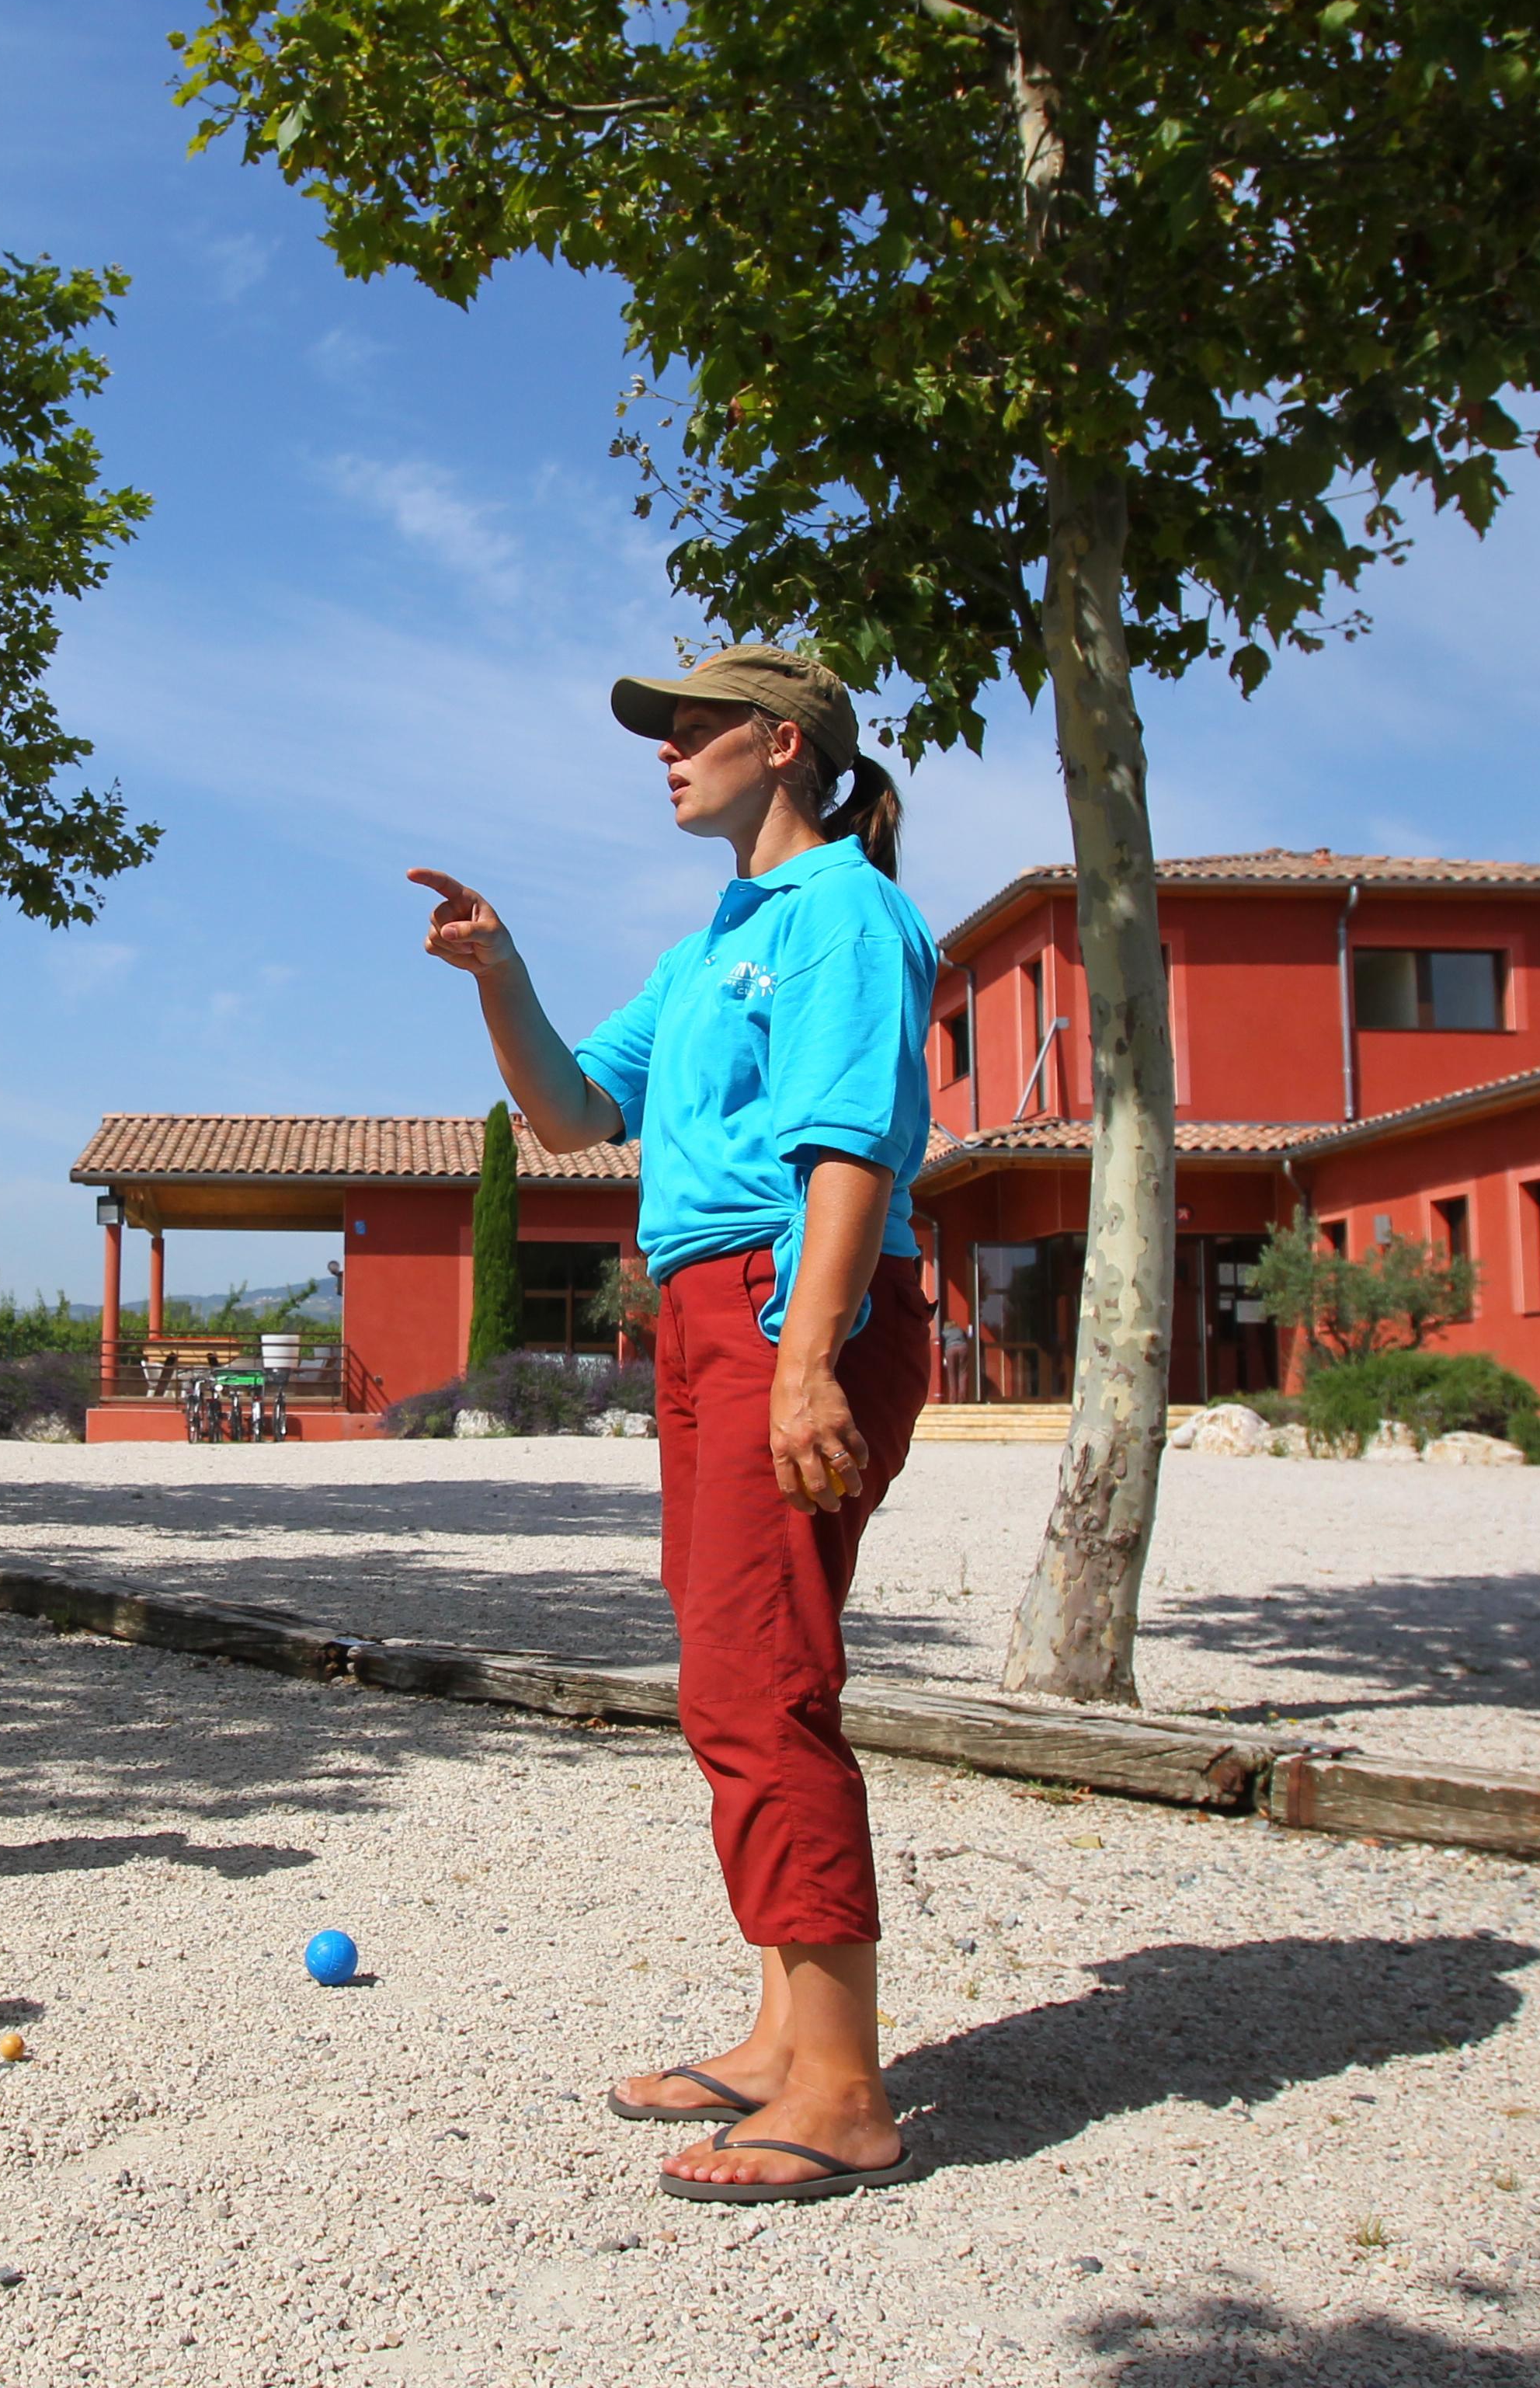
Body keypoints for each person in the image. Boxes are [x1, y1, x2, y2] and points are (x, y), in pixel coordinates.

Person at [410, 643, 937, 2206]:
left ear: (786, 746)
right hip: (706, 1319)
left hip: (792, 1308)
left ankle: (844, 2087)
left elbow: (854, 1146)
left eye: (693, 728)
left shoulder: (846, 911)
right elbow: (576, 1115)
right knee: (733, 1660)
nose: (666, 751)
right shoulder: (720, 935)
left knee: (762, 1673)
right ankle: (786, 2034)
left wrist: (805, 1357)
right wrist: (501, 971)